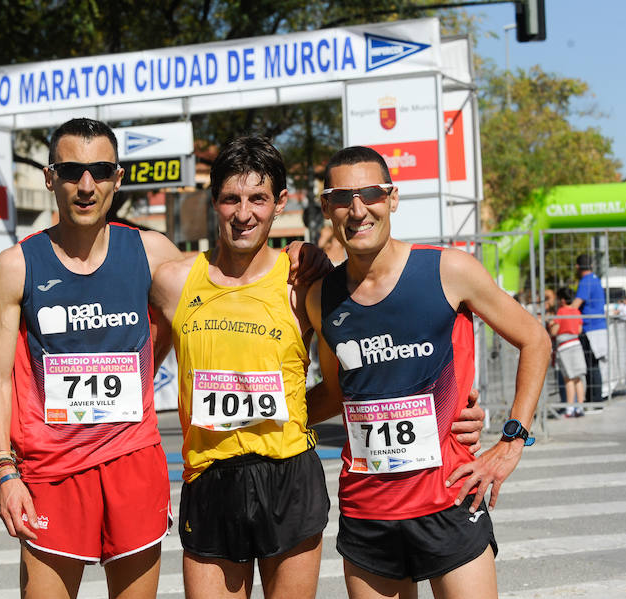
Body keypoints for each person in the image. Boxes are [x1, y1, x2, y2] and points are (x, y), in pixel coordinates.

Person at [150, 137, 486, 599]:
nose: (243, 213)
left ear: (280, 204)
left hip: (289, 475)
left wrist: (454, 408)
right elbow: (134, 371)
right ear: (214, 203)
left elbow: (343, 385)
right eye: (231, 199)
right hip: (209, 479)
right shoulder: (172, 281)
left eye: (258, 199)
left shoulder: (303, 285)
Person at [306, 146, 550, 599]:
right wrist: (262, 419)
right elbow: (337, 392)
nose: (358, 209)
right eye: (342, 197)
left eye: (371, 193)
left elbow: (534, 339)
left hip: (450, 501)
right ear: (326, 207)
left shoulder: (447, 269)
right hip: (367, 511)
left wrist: (512, 441)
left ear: (392, 199)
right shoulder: (322, 297)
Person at [0, 117, 185, 599]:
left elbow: (204, 311)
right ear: (50, 177)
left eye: (100, 170)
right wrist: (5, 473)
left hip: (133, 462)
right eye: (72, 170)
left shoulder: (152, 252)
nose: (86, 185)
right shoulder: (17, 265)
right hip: (50, 472)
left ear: (118, 177)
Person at [569, 254, 606, 403]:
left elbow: (576, 305)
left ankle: (595, 402)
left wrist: (562, 312)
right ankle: (594, 399)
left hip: (590, 329)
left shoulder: (585, 282)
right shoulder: (595, 279)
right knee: (593, 364)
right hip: (598, 327)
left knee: (591, 366)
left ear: (578, 267)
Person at [549, 287, 586, 417]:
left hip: (564, 346)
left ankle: (570, 408)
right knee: (578, 377)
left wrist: (551, 325)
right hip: (576, 343)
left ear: (563, 300)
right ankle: (580, 407)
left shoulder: (561, 311)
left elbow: (554, 331)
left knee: (568, 378)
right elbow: (580, 329)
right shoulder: (576, 311)